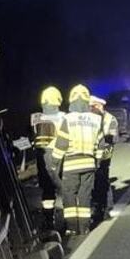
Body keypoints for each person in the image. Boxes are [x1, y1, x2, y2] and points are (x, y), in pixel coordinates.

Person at [52, 84, 103, 235]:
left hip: (71, 165)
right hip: (89, 164)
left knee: (69, 196)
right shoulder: (96, 119)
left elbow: (61, 144)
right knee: (85, 196)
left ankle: (72, 228)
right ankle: (85, 227)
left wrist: (55, 164)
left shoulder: (67, 119)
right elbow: (101, 144)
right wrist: (97, 162)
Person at [31, 86, 65, 231]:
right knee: (64, 189)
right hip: (58, 155)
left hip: (41, 156)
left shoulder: (35, 117)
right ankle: (67, 221)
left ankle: (49, 220)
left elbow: (32, 135)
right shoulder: (64, 117)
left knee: (47, 191)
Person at [89, 95, 118, 222]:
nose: (90, 109)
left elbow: (112, 138)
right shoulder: (91, 117)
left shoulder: (110, 119)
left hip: (105, 152)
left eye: (93, 106)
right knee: (93, 180)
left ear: (100, 106)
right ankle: (97, 206)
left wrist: (102, 142)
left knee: (103, 177)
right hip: (92, 152)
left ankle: (107, 208)